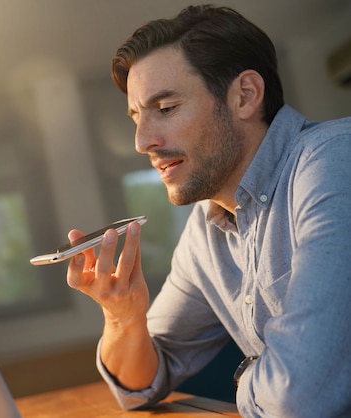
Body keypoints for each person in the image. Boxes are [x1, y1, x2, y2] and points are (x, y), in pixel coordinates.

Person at [66, 4, 351, 417]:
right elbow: (139, 387)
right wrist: (122, 317)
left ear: (245, 96)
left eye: (164, 108)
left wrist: (243, 377)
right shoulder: (209, 227)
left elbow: (302, 398)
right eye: (135, 117)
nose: (142, 141)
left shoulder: (334, 160)